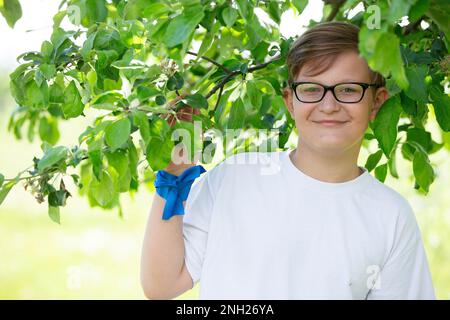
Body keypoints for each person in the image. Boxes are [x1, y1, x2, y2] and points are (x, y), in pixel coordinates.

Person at [140, 21, 436, 300]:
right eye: (311, 90)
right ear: (290, 101)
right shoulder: (233, 179)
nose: (329, 105)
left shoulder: (390, 216)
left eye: (348, 89)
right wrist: (174, 173)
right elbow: (162, 284)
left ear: (377, 102)